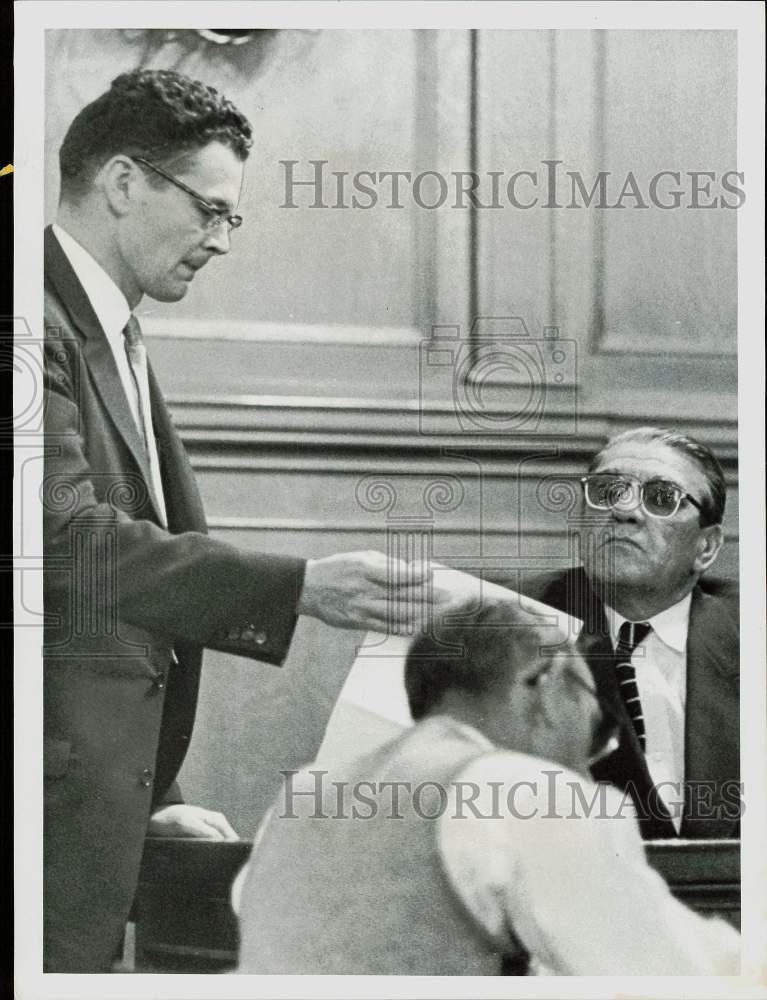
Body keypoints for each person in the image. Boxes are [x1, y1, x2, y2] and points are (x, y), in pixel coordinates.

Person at [42, 68, 448, 972]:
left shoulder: (108, 334)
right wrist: (300, 586)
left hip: (84, 817)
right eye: (209, 210)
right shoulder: (33, 325)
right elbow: (66, 548)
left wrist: (150, 802)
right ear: (121, 183)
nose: (222, 240)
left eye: (233, 218)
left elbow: (94, 638)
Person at [236, 603, 740, 976]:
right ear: (544, 685)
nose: (590, 759)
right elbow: (668, 973)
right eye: (599, 726)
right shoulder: (531, 794)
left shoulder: (301, 795)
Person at [510, 426, 740, 839]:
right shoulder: (513, 620)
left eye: (662, 498)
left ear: (706, 548)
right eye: (608, 491)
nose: (625, 510)